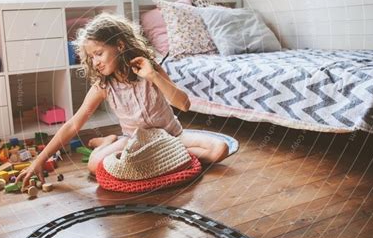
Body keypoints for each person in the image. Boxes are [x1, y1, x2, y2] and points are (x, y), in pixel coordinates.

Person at [16, 13, 228, 189]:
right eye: (91, 58)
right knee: (94, 164)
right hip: (132, 141)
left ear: (119, 45)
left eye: (99, 53)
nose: (95, 62)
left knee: (219, 149)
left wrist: (152, 76)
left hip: (172, 136)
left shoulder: (150, 67)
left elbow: (184, 104)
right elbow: (73, 124)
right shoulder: (103, 86)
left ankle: (167, 156)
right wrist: (39, 160)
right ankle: (109, 141)